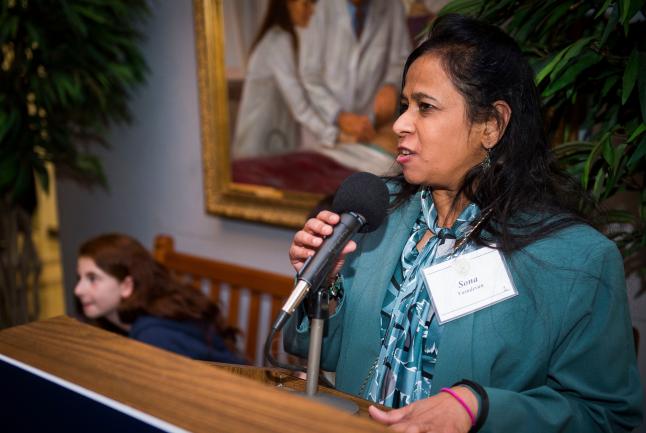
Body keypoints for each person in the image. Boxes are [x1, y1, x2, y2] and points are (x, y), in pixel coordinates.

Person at [285, 14, 643, 433]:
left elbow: (606, 416)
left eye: (425, 107)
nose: (400, 124)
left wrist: (482, 407)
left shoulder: (576, 259)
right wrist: (321, 285)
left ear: (491, 125)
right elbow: (317, 353)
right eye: (404, 106)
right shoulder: (377, 220)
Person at [74, 233, 245, 364]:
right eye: (79, 278)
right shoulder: (148, 315)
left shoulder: (153, 338)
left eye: (92, 279)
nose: (78, 290)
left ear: (126, 286)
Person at [232, 0, 339, 159]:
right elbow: (299, 105)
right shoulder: (276, 42)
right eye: (306, 4)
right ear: (287, 4)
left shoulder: (283, 39)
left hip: (269, 146)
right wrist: (334, 135)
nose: (312, 11)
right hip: (257, 152)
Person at [298, 0, 412, 144]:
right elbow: (308, 75)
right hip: (324, 127)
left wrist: (392, 84)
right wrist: (338, 116)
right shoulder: (319, 7)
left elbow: (402, 59)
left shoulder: (392, 6)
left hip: (370, 125)